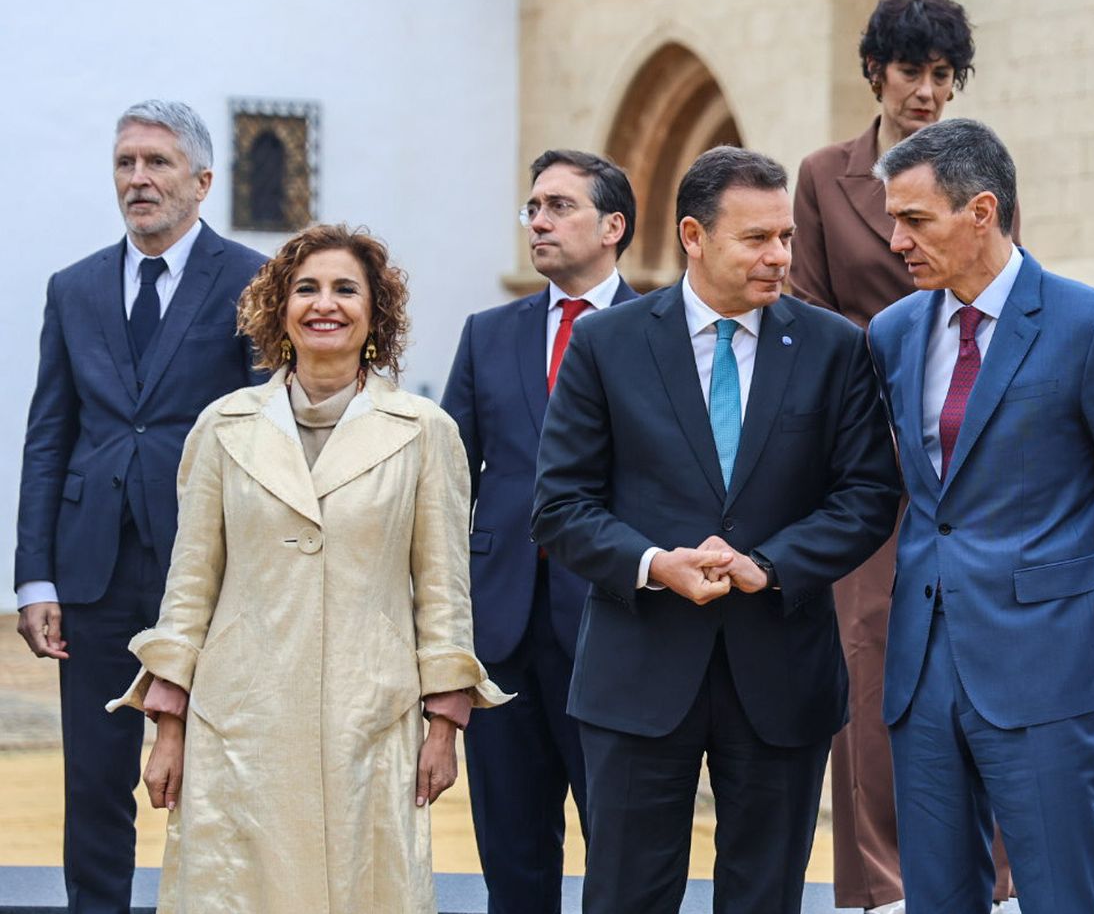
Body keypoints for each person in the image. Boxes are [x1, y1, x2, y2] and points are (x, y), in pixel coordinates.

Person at [532, 146, 902, 914]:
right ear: (695, 236)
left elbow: (869, 494)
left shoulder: (836, 347)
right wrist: (651, 562)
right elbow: (560, 506)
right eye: (757, 239)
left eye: (786, 238)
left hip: (783, 671)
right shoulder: (608, 345)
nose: (779, 256)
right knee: (626, 896)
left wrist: (772, 563)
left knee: (765, 897)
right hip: (639, 669)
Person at [107, 224, 509, 914]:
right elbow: (189, 587)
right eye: (307, 288)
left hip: (369, 716)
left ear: (375, 311)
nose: (326, 303)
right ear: (280, 308)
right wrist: (167, 726)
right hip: (240, 719)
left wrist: (445, 723)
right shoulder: (223, 426)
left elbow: (444, 591)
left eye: (346, 288)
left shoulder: (424, 431)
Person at [867, 118, 1094, 913]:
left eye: (916, 219)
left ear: (982, 211)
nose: (895, 239)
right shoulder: (893, 332)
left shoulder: (1093, 328)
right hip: (921, 667)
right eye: (892, 219)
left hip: (1050, 667)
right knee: (937, 900)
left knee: (1062, 898)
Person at [790, 0, 1016, 913]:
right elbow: (803, 309)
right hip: (865, 456)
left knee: (983, 657)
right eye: (910, 72)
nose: (926, 91)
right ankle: (880, 887)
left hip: (966, 452)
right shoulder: (821, 174)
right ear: (874, 72)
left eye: (941, 75)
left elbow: (999, 298)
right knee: (868, 656)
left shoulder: (975, 167)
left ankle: (996, 881)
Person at [13, 100, 265, 914]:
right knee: (93, 777)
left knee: (216, 771)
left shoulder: (254, 281)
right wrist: (35, 578)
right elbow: (48, 436)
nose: (138, 179)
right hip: (91, 569)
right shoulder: (74, 286)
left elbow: (268, 432)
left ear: (202, 180)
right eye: (125, 163)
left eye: (156, 163)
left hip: (210, 569)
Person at [441, 149, 639, 914]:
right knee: (514, 863)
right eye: (533, 207)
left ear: (613, 225)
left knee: (620, 860)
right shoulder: (487, 333)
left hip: (616, 627)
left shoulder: (662, 328)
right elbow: (447, 481)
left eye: (559, 205)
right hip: (501, 631)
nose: (539, 221)